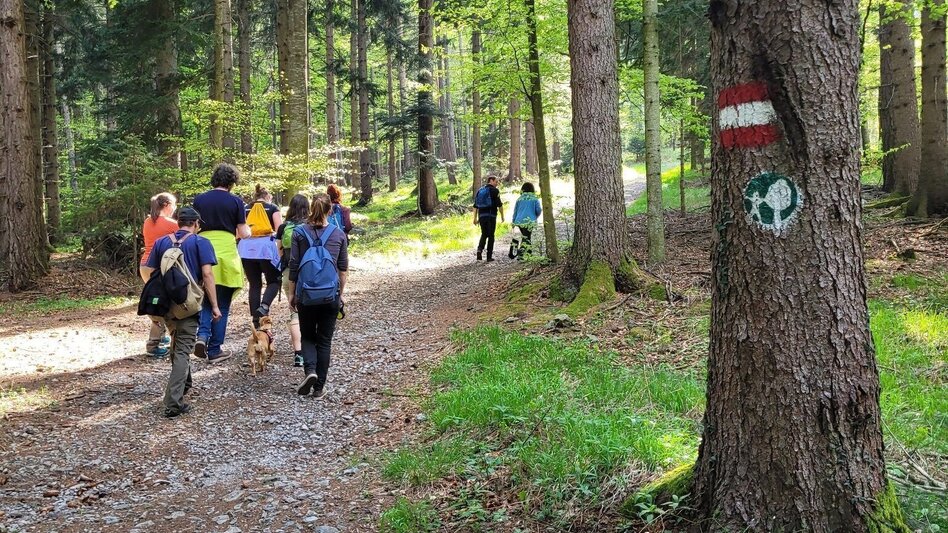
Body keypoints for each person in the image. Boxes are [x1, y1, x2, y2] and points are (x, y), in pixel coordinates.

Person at [144, 207, 221, 418]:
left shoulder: (161, 242)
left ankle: (184, 384)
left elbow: (152, 272)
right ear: (195, 223)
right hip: (188, 304)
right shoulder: (200, 242)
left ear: (179, 222)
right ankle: (173, 403)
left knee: (177, 342)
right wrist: (214, 305)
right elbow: (207, 275)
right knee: (181, 351)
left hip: (167, 303)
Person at [288, 193, 349, 399]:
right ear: (330, 210)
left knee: (307, 335)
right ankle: (319, 388)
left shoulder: (298, 233)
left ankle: (310, 372)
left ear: (311, 208)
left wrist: (291, 294)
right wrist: (340, 294)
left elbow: (294, 266)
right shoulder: (338, 234)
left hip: (305, 295)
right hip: (329, 296)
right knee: (324, 340)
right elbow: (343, 270)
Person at [192, 164, 251, 363]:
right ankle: (215, 349)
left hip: (203, 251)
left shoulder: (199, 199)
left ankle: (201, 336)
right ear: (232, 181)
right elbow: (243, 233)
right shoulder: (236, 201)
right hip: (226, 254)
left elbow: (193, 228)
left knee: (206, 299)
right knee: (223, 304)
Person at [140, 192, 178, 358]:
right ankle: (156, 343)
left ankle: (159, 340)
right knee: (164, 303)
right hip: (160, 266)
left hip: (145, 265)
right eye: (174, 205)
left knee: (156, 301)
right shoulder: (172, 224)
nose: (175, 208)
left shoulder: (148, 221)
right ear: (167, 205)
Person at [240, 184, 283, 327]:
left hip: (246, 249)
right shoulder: (272, 208)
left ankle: (255, 320)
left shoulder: (245, 208)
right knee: (274, 281)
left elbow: (239, 230)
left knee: (254, 284)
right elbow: (279, 229)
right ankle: (264, 307)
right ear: (268, 196)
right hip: (266, 250)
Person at [275, 194, 310, 367]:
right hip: (311, 274)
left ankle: (298, 354)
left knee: (294, 312)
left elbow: (279, 252)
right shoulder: (311, 226)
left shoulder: (283, 227)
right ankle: (313, 350)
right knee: (312, 311)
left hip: (289, 273)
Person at [473, 175, 505, 262]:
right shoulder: (495, 191)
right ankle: (489, 256)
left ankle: (479, 249)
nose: (497, 183)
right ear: (491, 180)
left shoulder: (480, 190)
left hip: (482, 217)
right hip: (491, 216)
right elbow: (500, 205)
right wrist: (502, 216)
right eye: (496, 181)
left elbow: (475, 206)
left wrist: (475, 218)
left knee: (484, 234)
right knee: (491, 235)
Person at [511, 182, 542, 259]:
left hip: (519, 221)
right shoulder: (534, 199)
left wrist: (514, 221)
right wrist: (535, 216)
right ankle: (521, 255)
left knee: (526, 237)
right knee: (526, 237)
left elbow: (515, 211)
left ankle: (529, 254)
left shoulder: (519, 199)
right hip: (529, 221)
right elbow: (539, 210)